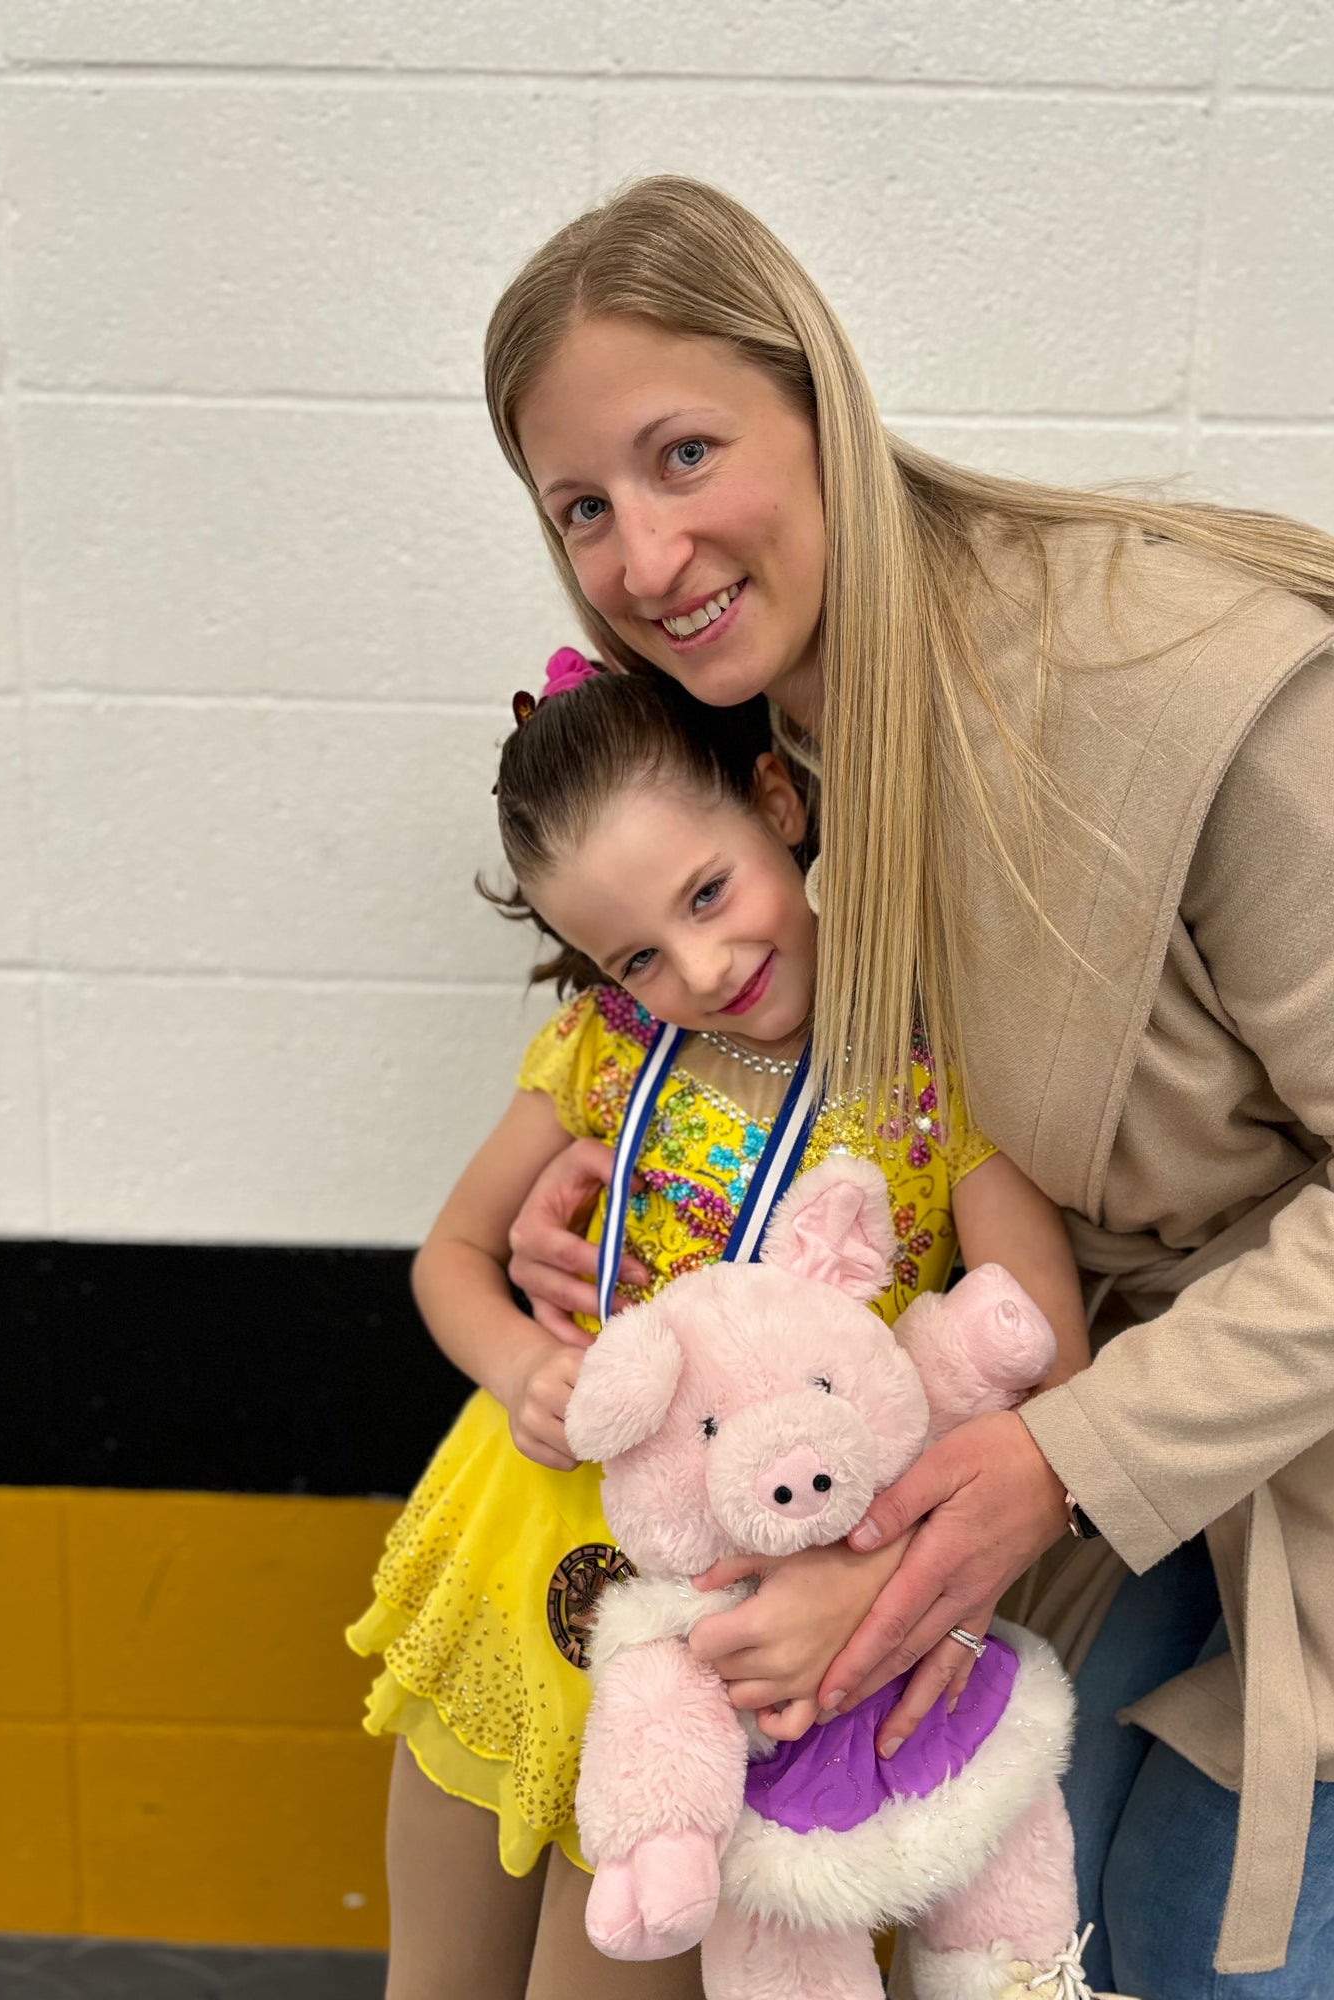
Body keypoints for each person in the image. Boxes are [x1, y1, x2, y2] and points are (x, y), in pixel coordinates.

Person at [482, 176, 1334, 1999]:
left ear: (822, 400)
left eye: (684, 451)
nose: (640, 557)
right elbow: (870, 1073)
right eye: (582, 508)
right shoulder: (786, 735)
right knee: (1022, 1933)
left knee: (1195, 1953)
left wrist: (1057, 1457)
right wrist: (625, 1158)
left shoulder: (1172, 678)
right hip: (1142, 1446)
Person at [348, 651, 1089, 2000]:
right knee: (438, 1973)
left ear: (777, 802)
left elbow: (1053, 1361)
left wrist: (902, 1574)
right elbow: (453, 1257)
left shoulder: (943, 1070)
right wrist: (521, 1362)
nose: (698, 965)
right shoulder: (602, 1047)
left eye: (709, 892)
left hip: (738, 1631)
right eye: (637, 950)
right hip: (521, 1553)